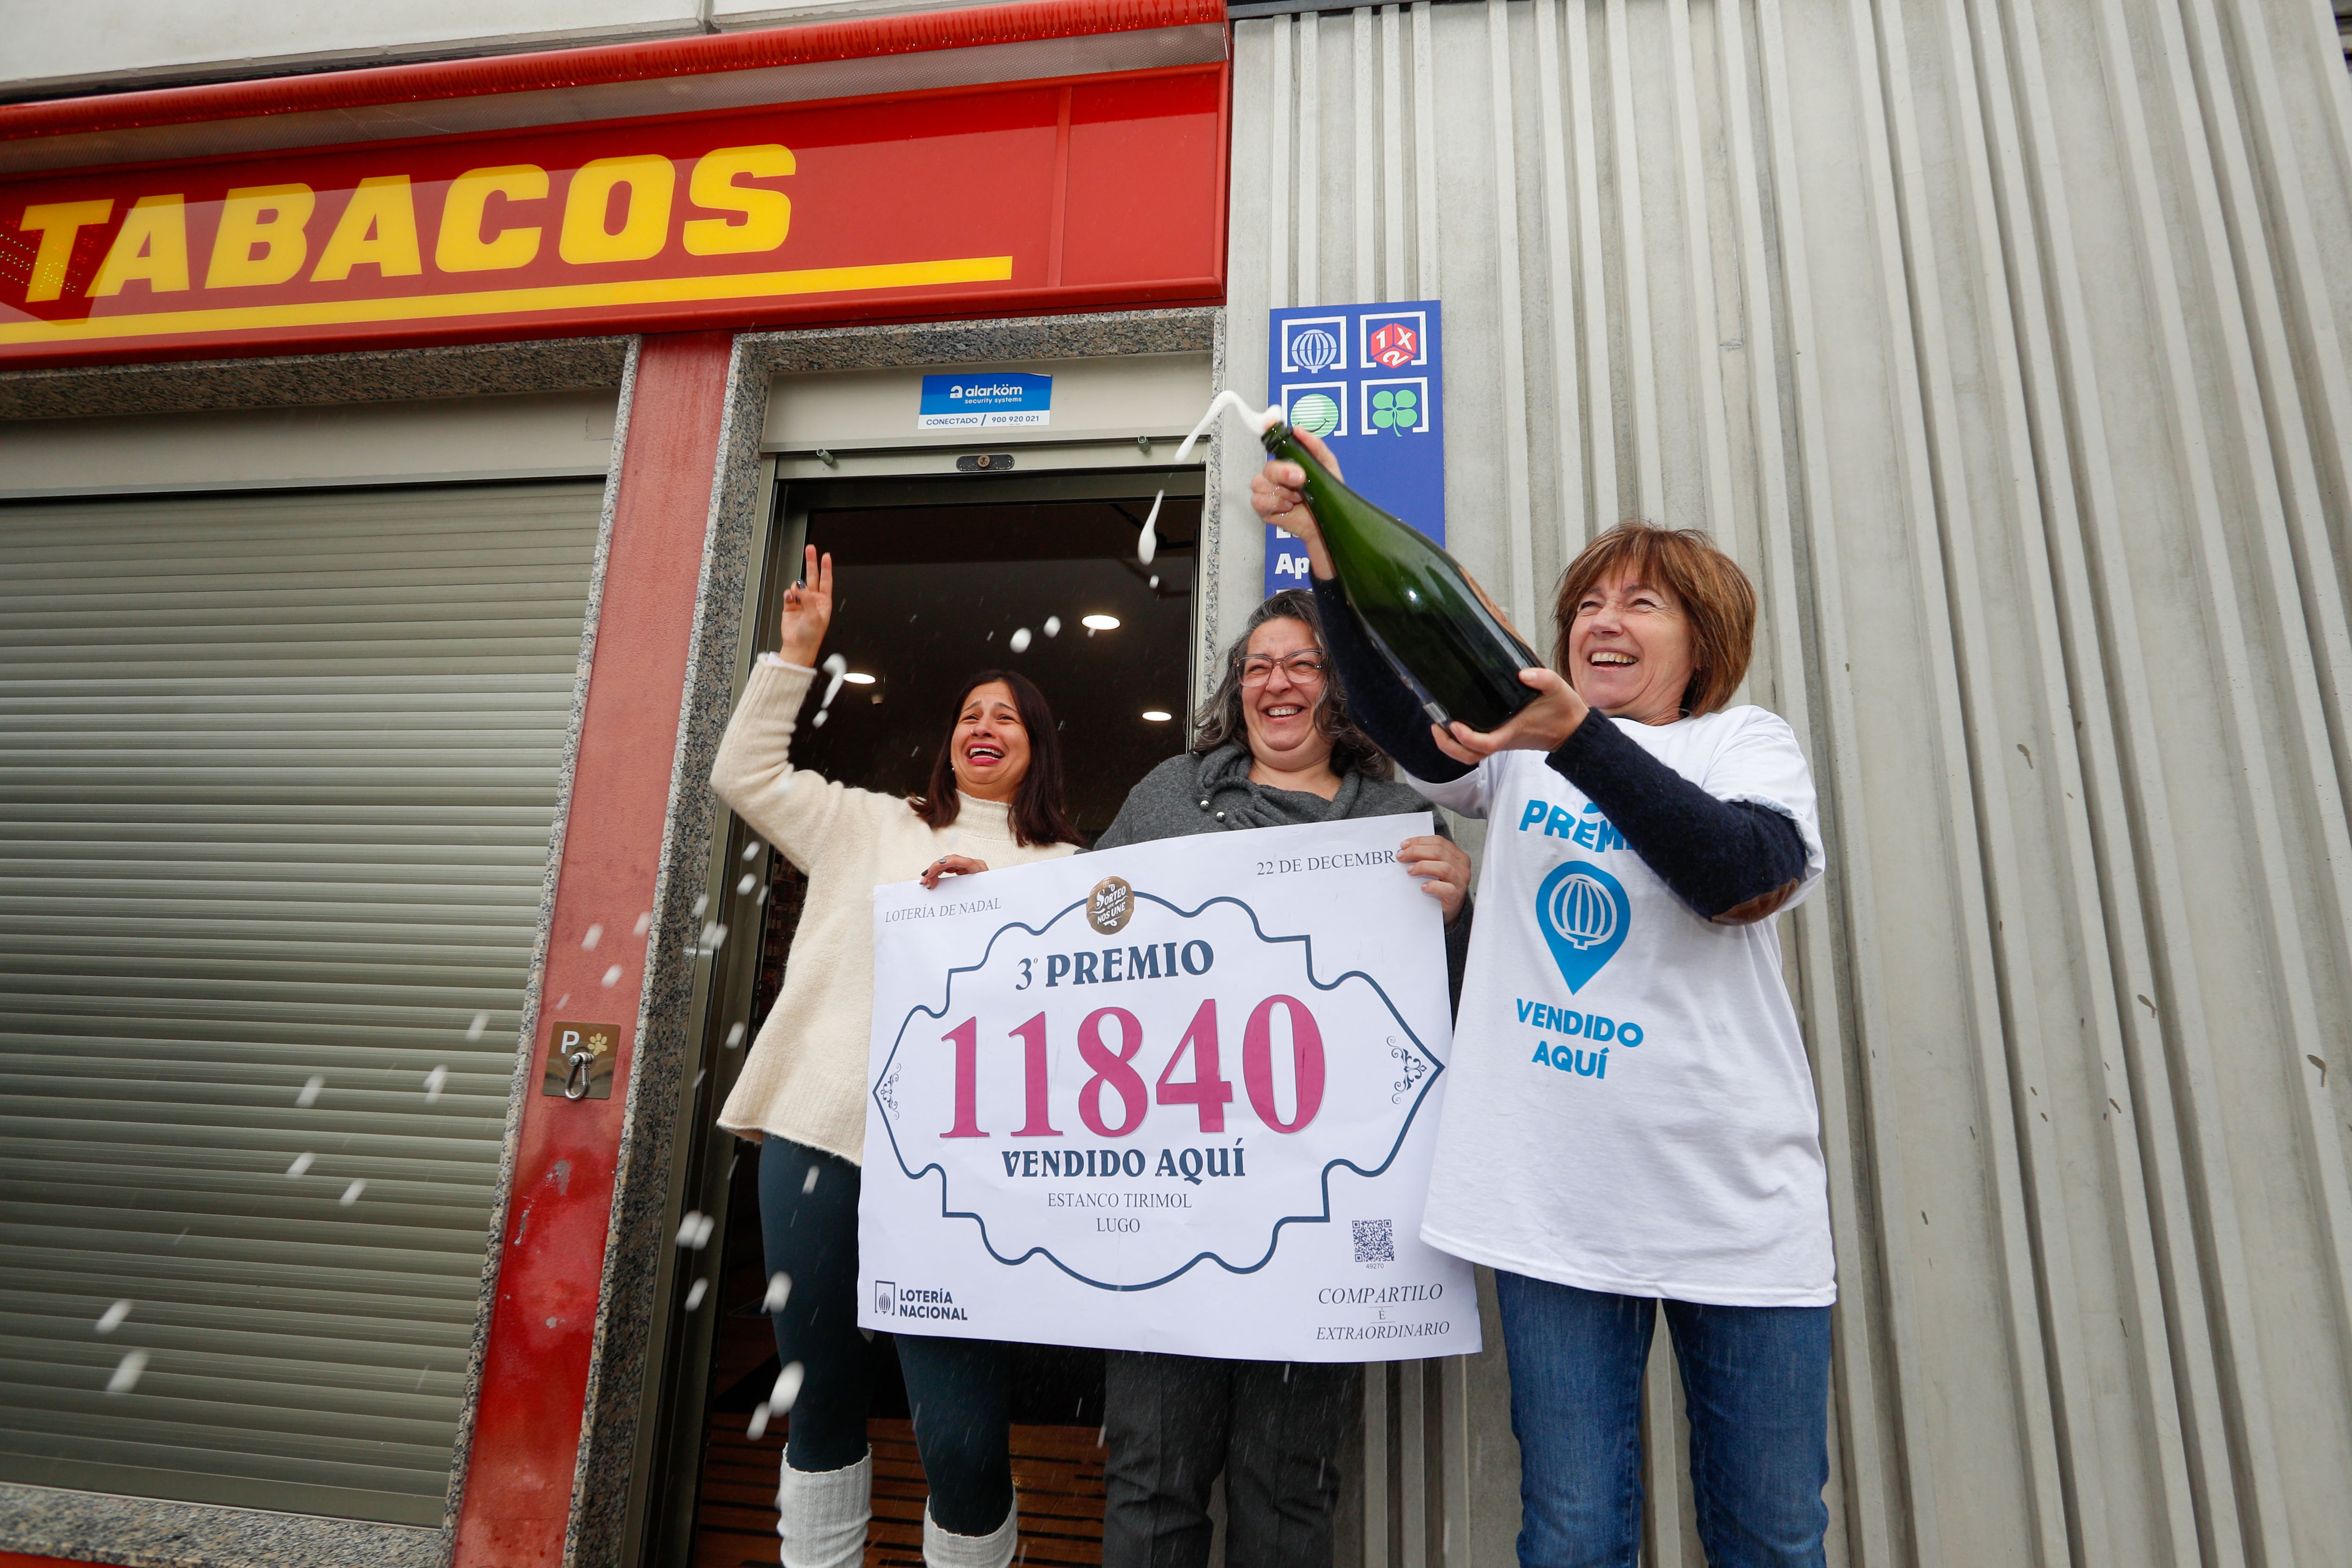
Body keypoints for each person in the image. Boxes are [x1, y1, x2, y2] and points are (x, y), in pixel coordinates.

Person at [1255, 437, 1834, 1568]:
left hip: (1736, 1209)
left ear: (1703, 639)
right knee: (1571, 1535)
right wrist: (1327, 559)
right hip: (1550, 1206)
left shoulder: (1743, 744)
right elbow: (1397, 709)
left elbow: (1735, 877)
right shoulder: (1515, 754)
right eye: (1586, 603)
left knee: (1770, 1534)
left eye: (1642, 602)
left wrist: (1578, 737)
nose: (1601, 621)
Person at [711, 545, 1087, 1568]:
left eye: (1006, 715)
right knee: (819, 1396)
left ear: (1037, 747)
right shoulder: (869, 825)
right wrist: (795, 653)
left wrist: (1004, 916)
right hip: (820, 1135)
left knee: (961, 1432)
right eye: (969, 712)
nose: (983, 725)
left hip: (969, 1171)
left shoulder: (1073, 877)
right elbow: (740, 774)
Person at [1090, 586, 1475, 1568]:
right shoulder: (1165, 796)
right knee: (1151, 1471)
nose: (1278, 681)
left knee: (1287, 1482)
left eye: (1302, 662)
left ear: (1337, 691)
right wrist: (990, 910)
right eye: (1258, 664)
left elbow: (1447, 1016)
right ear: (1238, 690)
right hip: (1169, 1201)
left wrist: (1459, 914)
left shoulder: (1396, 816)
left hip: (1318, 1208)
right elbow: (1079, 931)